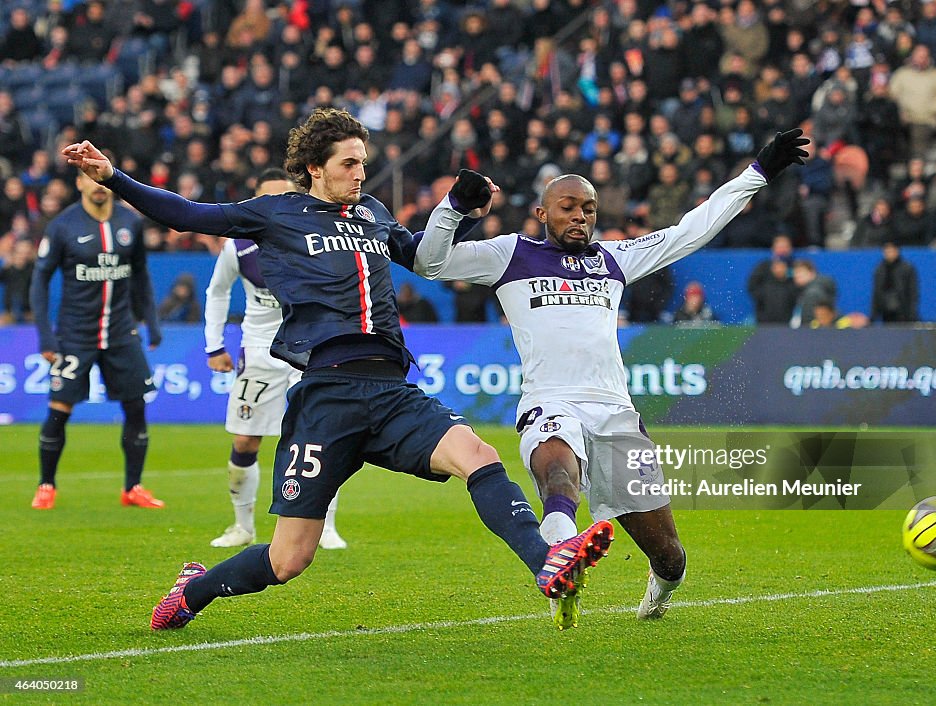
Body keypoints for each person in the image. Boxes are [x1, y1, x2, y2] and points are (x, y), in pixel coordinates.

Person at [63, 107, 612, 632]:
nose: (360, 173)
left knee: (478, 455)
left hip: (392, 389)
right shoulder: (274, 212)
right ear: (314, 168)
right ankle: (192, 592)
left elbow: (425, 258)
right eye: (349, 164)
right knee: (288, 559)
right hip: (327, 396)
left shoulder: (373, 212)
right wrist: (114, 177)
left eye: (363, 163)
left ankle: (548, 562)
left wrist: (456, 209)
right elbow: (187, 214)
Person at [415, 130, 809, 626]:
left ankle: (657, 592)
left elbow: (693, 228)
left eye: (589, 208)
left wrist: (759, 172)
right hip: (550, 401)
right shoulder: (508, 255)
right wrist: (452, 207)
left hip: (616, 415)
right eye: (567, 207)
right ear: (542, 214)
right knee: (558, 469)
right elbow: (428, 262)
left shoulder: (614, 259)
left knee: (671, 558)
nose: (580, 216)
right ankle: (557, 558)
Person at [204, 168, 346, 550]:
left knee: (319, 438)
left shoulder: (318, 240)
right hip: (261, 351)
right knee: (246, 440)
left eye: (283, 197)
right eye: (266, 199)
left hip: (312, 351)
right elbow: (217, 292)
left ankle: (326, 525)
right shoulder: (239, 246)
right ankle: (242, 526)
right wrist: (214, 345)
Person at [28, 170, 164, 510]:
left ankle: (133, 487)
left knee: (136, 406)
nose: (97, 186)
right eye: (89, 179)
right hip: (76, 333)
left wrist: (152, 321)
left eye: (102, 179)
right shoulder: (63, 226)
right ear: (79, 183)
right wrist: (46, 335)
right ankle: (47, 485)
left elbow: (141, 276)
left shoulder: (129, 223)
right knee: (60, 408)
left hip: (121, 331)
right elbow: (39, 281)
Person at [870, 242, 919, 323]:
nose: (889, 253)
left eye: (891, 250)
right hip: (886, 311)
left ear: (897, 251)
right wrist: (873, 315)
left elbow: (913, 291)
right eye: (887, 251)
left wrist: (912, 312)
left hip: (903, 311)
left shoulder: (907, 268)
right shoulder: (879, 269)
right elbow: (876, 292)